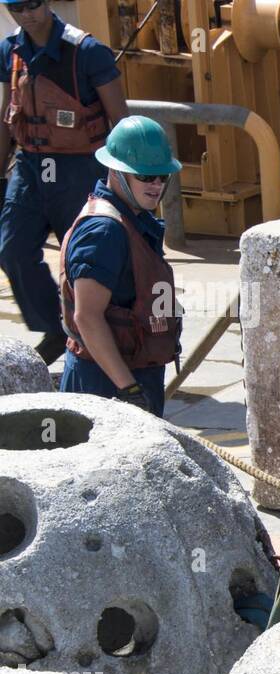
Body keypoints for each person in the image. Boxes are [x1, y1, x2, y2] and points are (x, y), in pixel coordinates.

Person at [0, 0, 128, 364]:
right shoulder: (9, 52)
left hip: (80, 169)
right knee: (12, 250)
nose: (26, 14)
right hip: (30, 169)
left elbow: (119, 120)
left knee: (86, 262)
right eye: (16, 7)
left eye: (33, 4)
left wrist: (125, 184)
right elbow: (5, 112)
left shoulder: (88, 52)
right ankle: (56, 328)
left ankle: (101, 341)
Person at [57, 116, 181, 414]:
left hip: (130, 375)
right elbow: (87, 316)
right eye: (145, 176)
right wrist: (129, 388)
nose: (156, 184)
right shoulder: (104, 232)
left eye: (162, 176)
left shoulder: (134, 219)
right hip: (103, 384)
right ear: (117, 171)